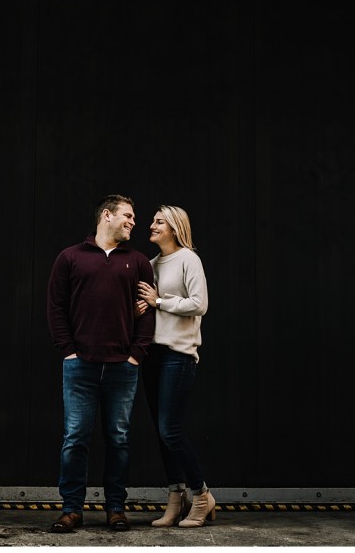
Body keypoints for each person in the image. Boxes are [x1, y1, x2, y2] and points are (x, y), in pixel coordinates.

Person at [46, 194, 157, 533]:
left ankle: (115, 508)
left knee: (119, 438)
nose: (133, 221)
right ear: (106, 216)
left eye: (134, 217)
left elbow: (147, 312)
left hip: (123, 367)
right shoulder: (70, 257)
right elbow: (55, 307)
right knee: (75, 437)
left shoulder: (137, 261)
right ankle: (71, 509)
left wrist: (137, 354)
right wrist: (68, 350)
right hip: (80, 366)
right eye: (128, 215)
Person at [135, 204, 215, 528]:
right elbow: (150, 308)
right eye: (152, 220)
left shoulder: (188, 259)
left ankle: (201, 496)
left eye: (159, 221)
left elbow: (200, 304)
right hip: (151, 355)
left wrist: (158, 301)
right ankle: (175, 498)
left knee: (171, 429)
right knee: (160, 431)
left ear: (175, 227)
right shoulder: (150, 264)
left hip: (178, 354)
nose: (151, 225)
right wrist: (143, 307)